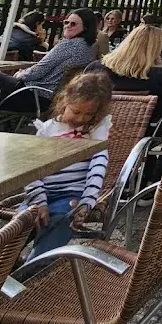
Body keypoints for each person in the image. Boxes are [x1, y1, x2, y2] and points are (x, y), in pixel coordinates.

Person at [23, 71, 113, 259]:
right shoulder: (47, 129)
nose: (80, 119)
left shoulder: (95, 133)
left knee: (64, 219)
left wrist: (87, 203)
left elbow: (97, 171)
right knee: (19, 223)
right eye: (76, 111)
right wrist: (39, 201)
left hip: (71, 195)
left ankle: (34, 265)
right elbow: (31, 169)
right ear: (64, 102)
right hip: (42, 191)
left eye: (88, 114)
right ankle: (3, 267)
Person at [0, 8, 98, 111]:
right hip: (50, 98)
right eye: (66, 22)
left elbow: (39, 70)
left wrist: (20, 74)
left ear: (86, 27)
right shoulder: (88, 49)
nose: (67, 26)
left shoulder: (69, 44)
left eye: (73, 24)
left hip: (33, 96)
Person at [86, 23, 162, 122]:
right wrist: (161, 67)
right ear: (155, 50)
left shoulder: (95, 68)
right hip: (141, 130)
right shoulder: (156, 76)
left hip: (94, 126)